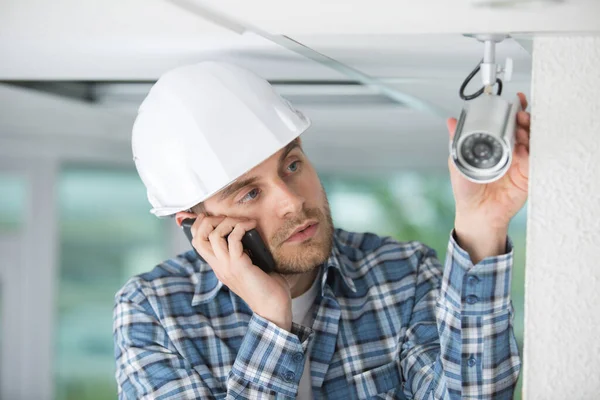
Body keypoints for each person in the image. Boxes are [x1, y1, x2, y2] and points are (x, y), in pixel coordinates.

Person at [114, 61, 531, 399]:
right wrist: (272, 322)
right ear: (196, 227)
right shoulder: (155, 313)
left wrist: (482, 224)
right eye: (249, 194)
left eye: (292, 165)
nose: (292, 201)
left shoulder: (401, 273)